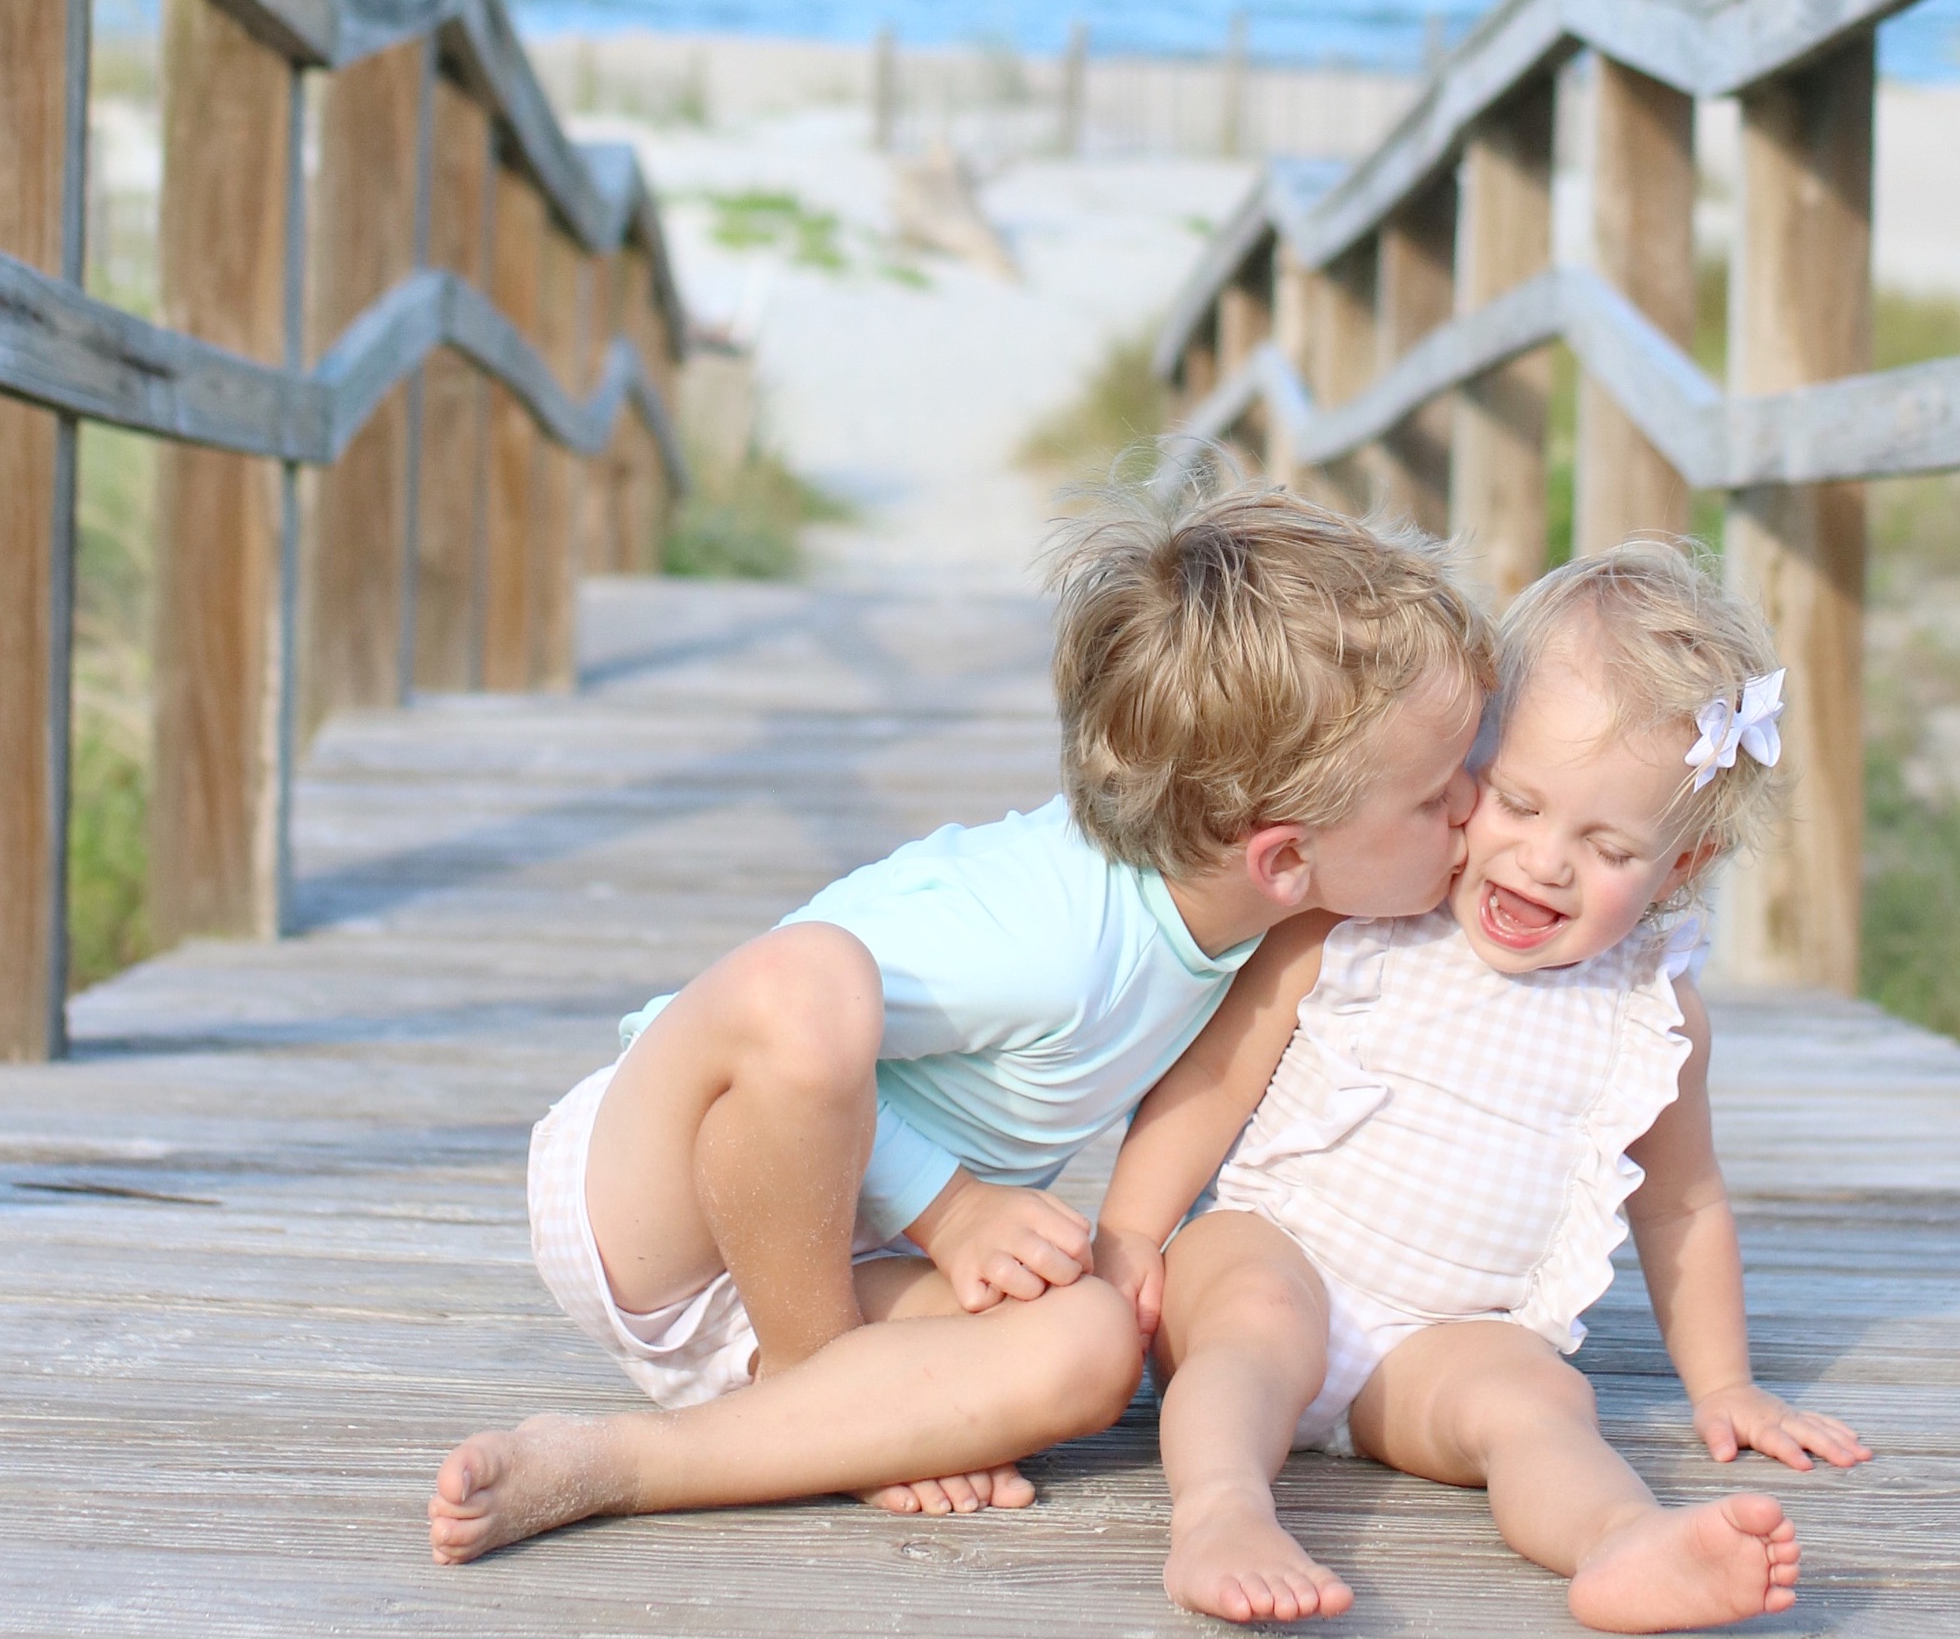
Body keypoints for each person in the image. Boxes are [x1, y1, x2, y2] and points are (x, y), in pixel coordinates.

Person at [430, 475, 1491, 1560]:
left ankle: (626, 1461)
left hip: (823, 1267)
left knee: (1089, 1347)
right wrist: (953, 1207)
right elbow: (757, 1030)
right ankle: (828, 1397)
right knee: (813, 986)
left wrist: (1122, 1244)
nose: (1475, 806)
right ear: (1283, 855)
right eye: (1439, 791)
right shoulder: (1043, 931)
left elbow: (1202, 1083)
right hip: (658, 1199)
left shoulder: (1271, 920)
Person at [1095, 538, 1871, 1632]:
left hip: (1437, 1345)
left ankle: (1620, 1542)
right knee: (1252, 1318)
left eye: (1606, 846)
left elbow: (1681, 1199)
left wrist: (1725, 1384)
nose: (1545, 860)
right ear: (1470, 763)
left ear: (1679, 868)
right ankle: (1221, 1512)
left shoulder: (1652, 1010)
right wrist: (1127, 1235)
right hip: (1283, 1248)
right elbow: (1215, 1080)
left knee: (1542, 1399)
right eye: (1517, 801)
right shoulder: (1360, 918)